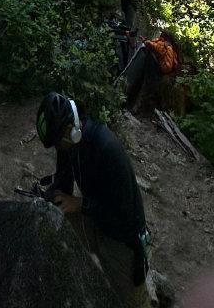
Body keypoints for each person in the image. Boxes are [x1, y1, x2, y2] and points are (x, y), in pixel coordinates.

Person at [36, 92, 150, 308]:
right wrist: (50, 197)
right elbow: (63, 181)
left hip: (121, 238)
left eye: (57, 142)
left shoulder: (106, 148)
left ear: (71, 129)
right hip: (95, 219)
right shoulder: (69, 143)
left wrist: (81, 204)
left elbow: (123, 215)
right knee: (55, 223)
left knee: (133, 303)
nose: (58, 148)